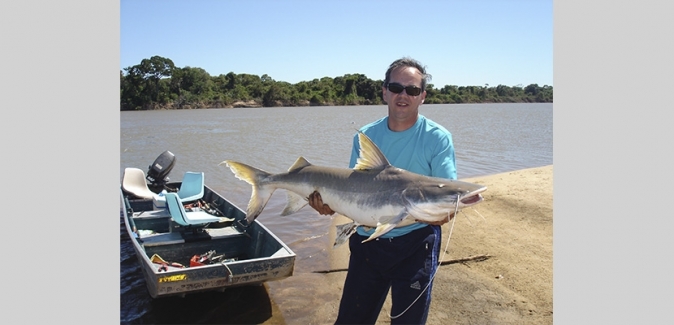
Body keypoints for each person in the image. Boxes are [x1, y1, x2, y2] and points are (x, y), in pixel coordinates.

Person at [308, 57, 457, 324]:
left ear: (422, 96)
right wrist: (328, 204)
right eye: (396, 87)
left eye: (412, 90)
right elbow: (354, 189)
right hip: (368, 244)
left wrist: (444, 212)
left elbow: (447, 198)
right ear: (384, 91)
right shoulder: (366, 136)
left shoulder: (437, 138)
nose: (403, 95)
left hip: (416, 244)